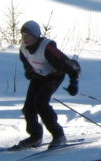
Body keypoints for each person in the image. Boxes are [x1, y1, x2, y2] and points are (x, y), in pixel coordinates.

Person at [17, 21, 81, 149]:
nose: (24, 39)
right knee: (28, 107)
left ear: (35, 36)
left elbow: (66, 65)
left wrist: (73, 82)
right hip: (38, 76)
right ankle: (35, 137)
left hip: (54, 76)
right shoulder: (23, 47)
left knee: (40, 103)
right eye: (23, 35)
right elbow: (26, 61)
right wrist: (29, 71)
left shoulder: (47, 48)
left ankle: (58, 135)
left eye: (28, 36)